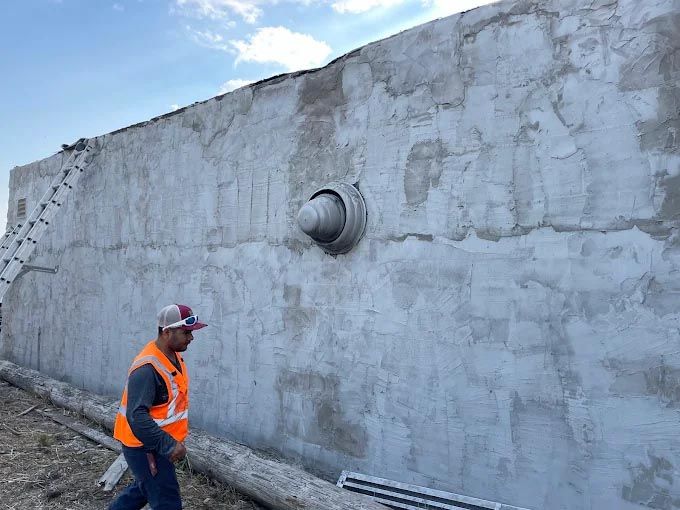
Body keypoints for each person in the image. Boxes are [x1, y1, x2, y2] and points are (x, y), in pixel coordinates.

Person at [109, 304, 207, 510]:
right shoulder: (147, 369)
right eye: (186, 333)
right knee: (167, 502)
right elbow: (136, 416)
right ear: (166, 332)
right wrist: (168, 445)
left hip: (155, 443)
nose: (191, 338)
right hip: (145, 446)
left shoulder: (173, 355)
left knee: (144, 489)